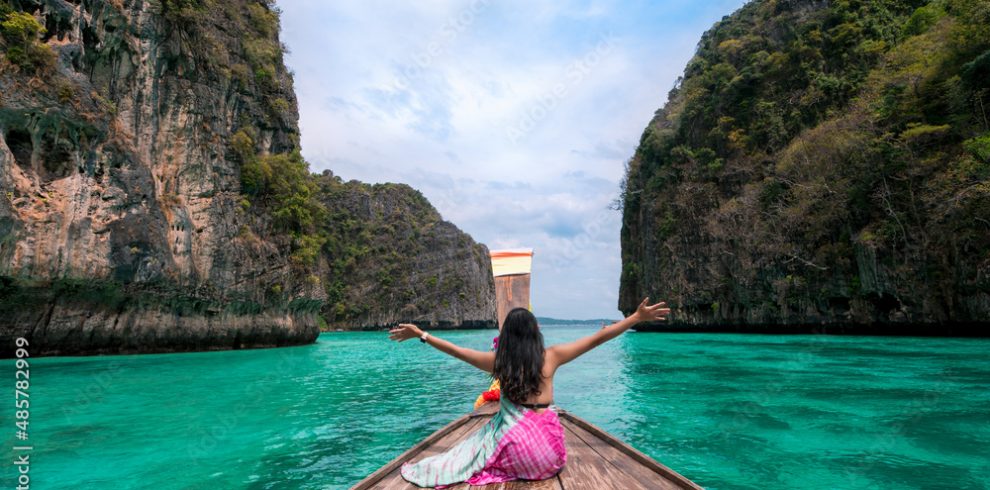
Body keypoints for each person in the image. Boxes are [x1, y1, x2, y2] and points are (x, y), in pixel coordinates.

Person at [388, 297, 671, 488]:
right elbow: (599, 337)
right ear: (536, 332)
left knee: (477, 443)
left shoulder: (499, 362)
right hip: (551, 460)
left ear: (507, 335)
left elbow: (456, 351)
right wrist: (635, 317)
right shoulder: (552, 356)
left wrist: (421, 334)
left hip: (517, 458)